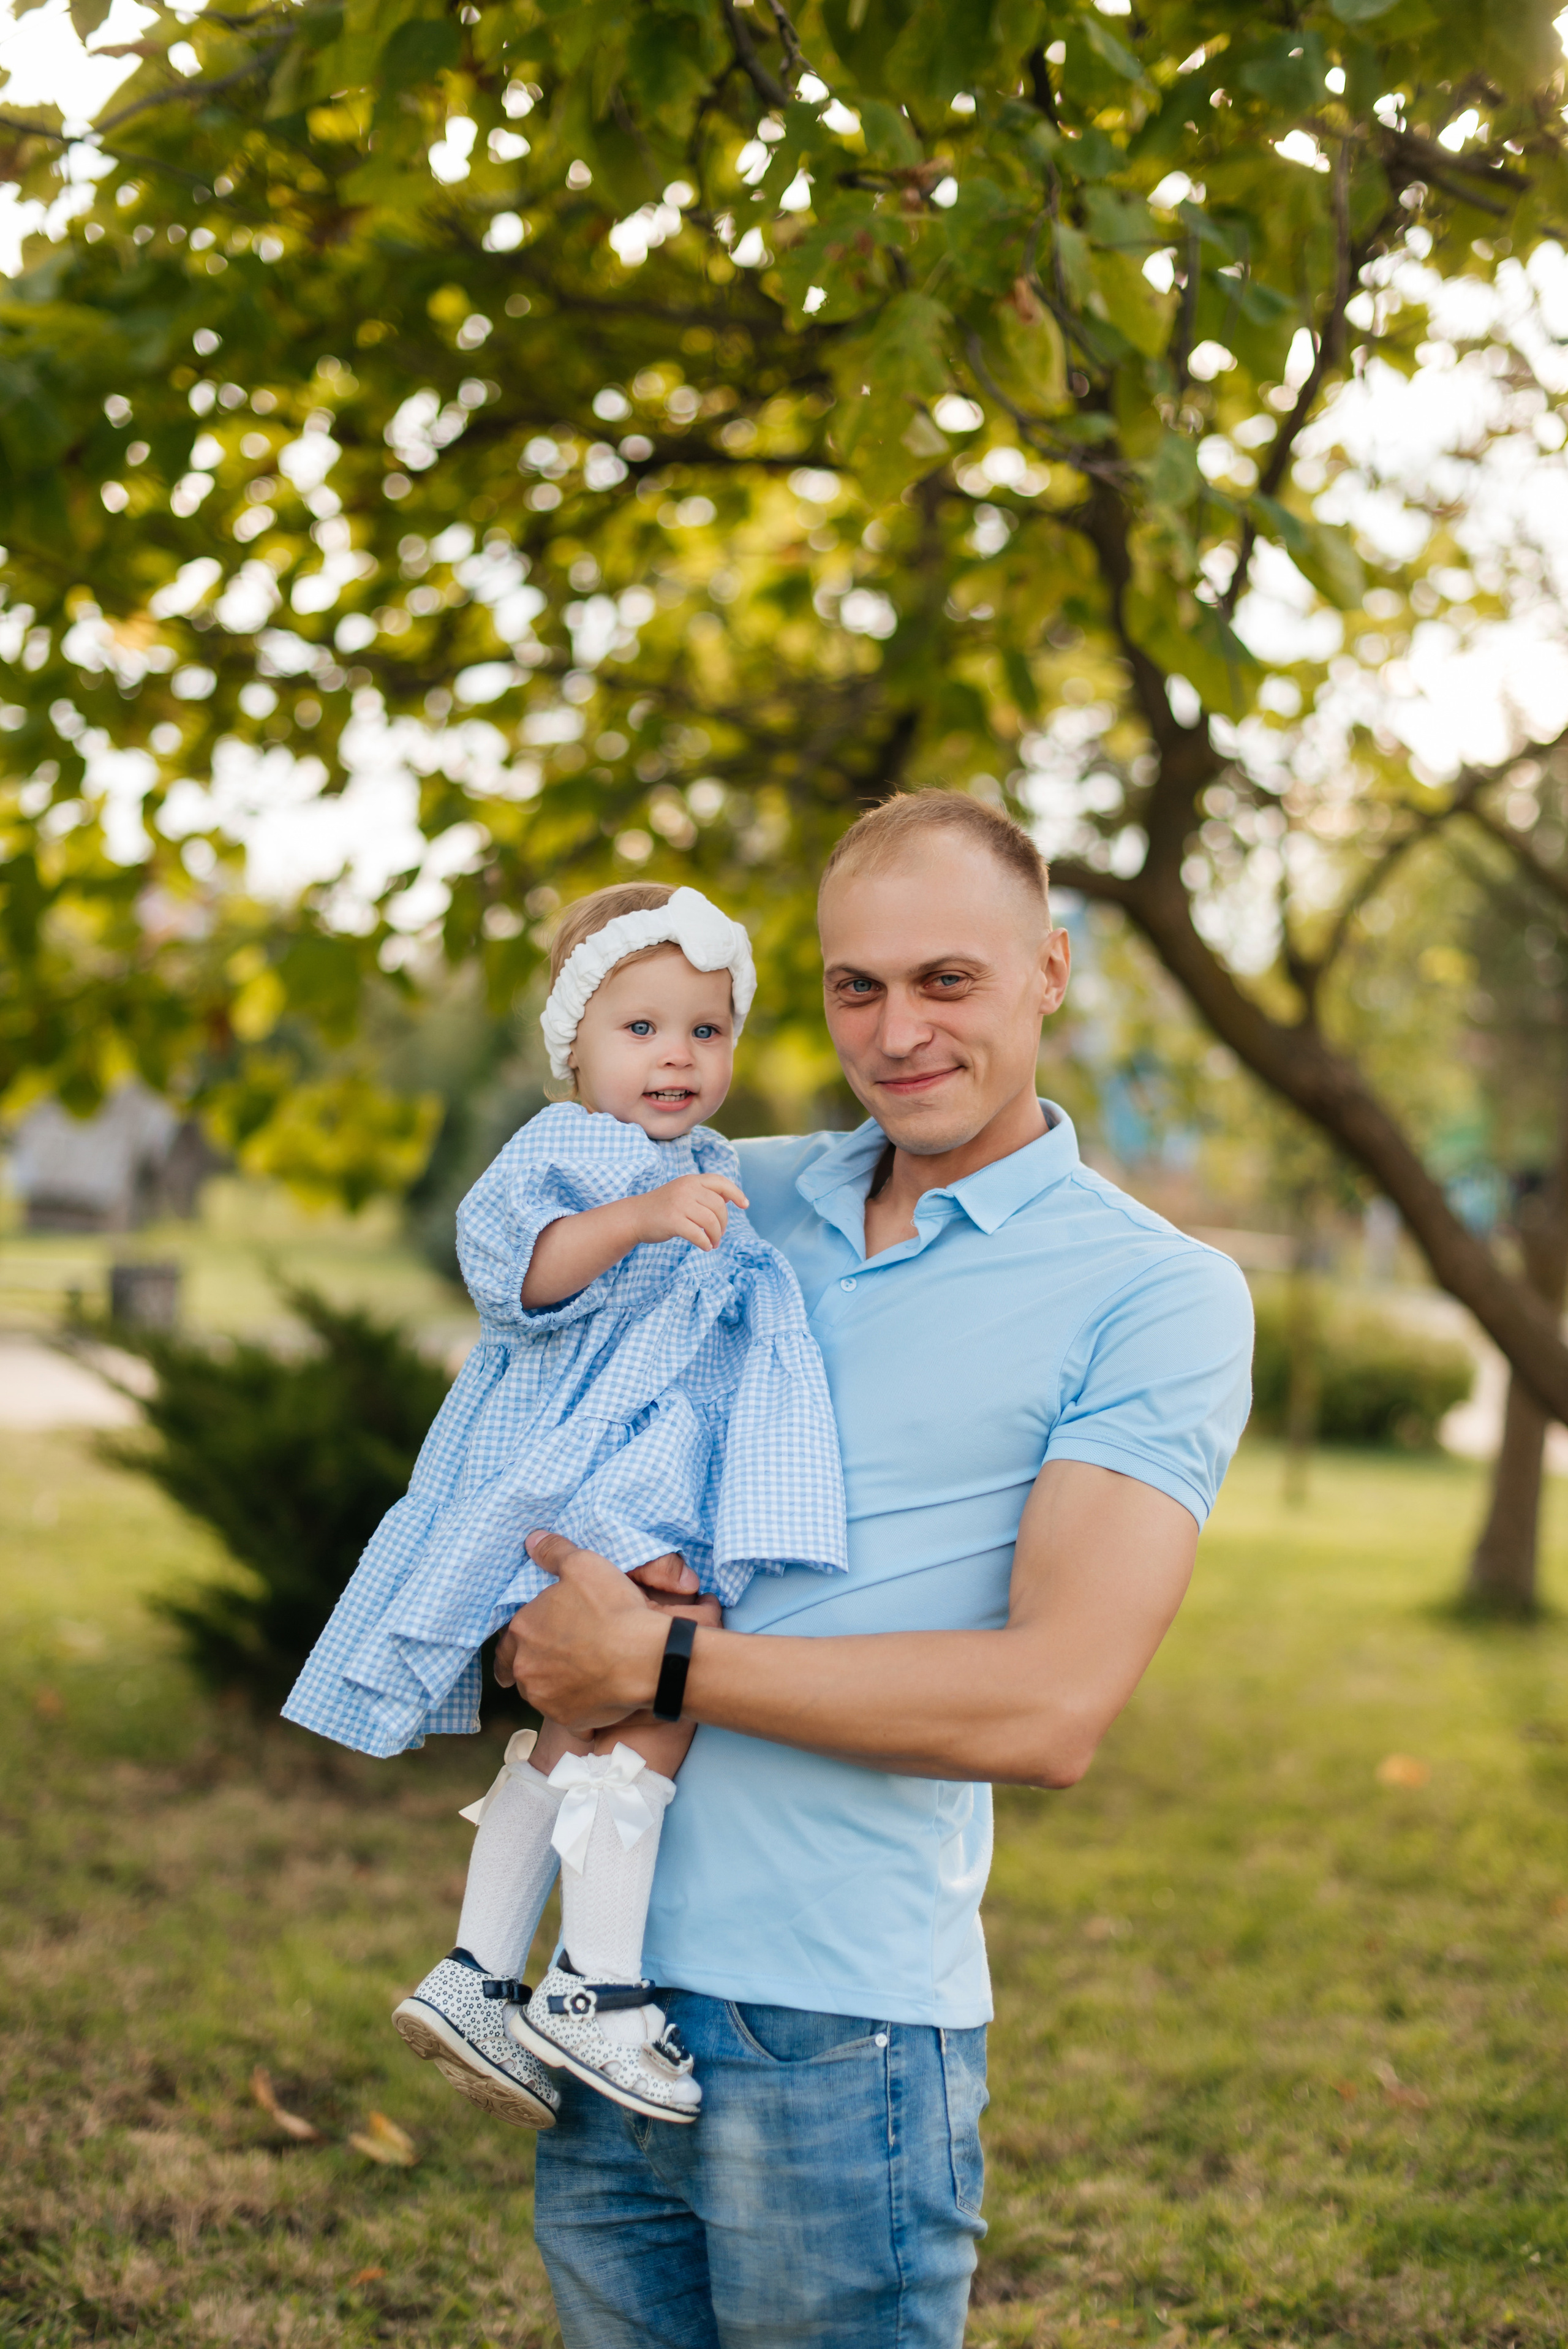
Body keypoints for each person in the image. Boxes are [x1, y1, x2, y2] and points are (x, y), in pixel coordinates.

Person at [497, 792, 1255, 2349]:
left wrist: (653, 1663)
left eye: (945, 981)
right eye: (856, 986)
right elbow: (529, 1388)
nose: (897, 1032)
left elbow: (1049, 1707)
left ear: (1047, 972)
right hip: (597, 1988)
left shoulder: (1156, 1294)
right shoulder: (728, 1196)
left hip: (837, 2031)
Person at [282, 881, 847, 2129]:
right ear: (573, 1047)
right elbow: (517, 1278)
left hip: (634, 1478)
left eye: (705, 1029)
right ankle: (594, 1985)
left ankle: (480, 1971)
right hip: (585, 1474)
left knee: (586, 1722)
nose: (676, 1056)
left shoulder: (700, 1164)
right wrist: (639, 1220)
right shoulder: (572, 1149)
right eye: (640, 1028)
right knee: (665, 1685)